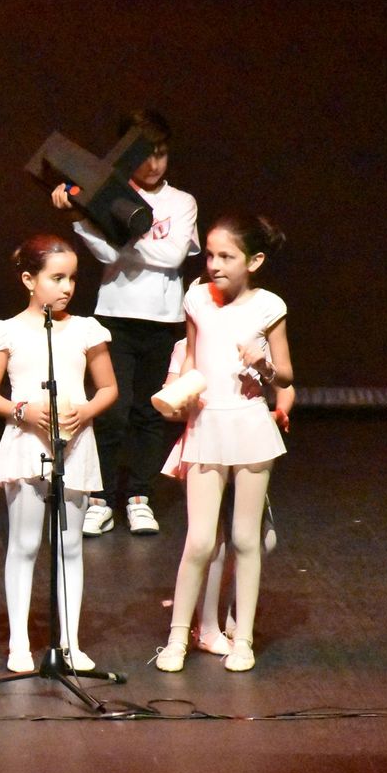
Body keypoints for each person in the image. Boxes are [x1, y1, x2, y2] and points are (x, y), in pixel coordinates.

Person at [153, 215, 292, 673]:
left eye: (226, 256)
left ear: (254, 261)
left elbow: (286, 376)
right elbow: (192, 357)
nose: (214, 264)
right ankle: (178, 638)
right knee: (198, 540)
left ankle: (244, 638)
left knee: (244, 538)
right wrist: (180, 396)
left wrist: (265, 366)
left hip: (250, 428)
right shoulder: (196, 298)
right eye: (210, 254)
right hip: (207, 425)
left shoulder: (269, 306)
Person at [51, 108, 199, 536]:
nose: (153, 165)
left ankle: (139, 496)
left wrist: (118, 239)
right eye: (145, 155)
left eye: (162, 155)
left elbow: (172, 257)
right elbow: (107, 257)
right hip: (114, 316)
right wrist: (81, 216)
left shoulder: (181, 201)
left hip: (161, 321)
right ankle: (100, 497)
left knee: (148, 413)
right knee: (112, 413)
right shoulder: (108, 193)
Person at [0, 234, 118, 673]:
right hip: (25, 442)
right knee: (23, 543)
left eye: (72, 278)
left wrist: (86, 411)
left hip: (74, 443)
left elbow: (109, 387)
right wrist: (23, 409)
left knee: (70, 543)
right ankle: (19, 641)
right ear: (28, 279)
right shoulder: (7, 331)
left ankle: (70, 640)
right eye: (56, 278)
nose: (66, 287)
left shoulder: (86, 330)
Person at [160, 337, 294, 658]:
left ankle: (235, 611)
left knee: (261, 538)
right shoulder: (188, 347)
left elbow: (286, 385)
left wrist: (279, 410)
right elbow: (170, 400)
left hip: (247, 442)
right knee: (211, 542)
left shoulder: (257, 340)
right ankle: (206, 627)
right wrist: (186, 405)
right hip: (206, 444)